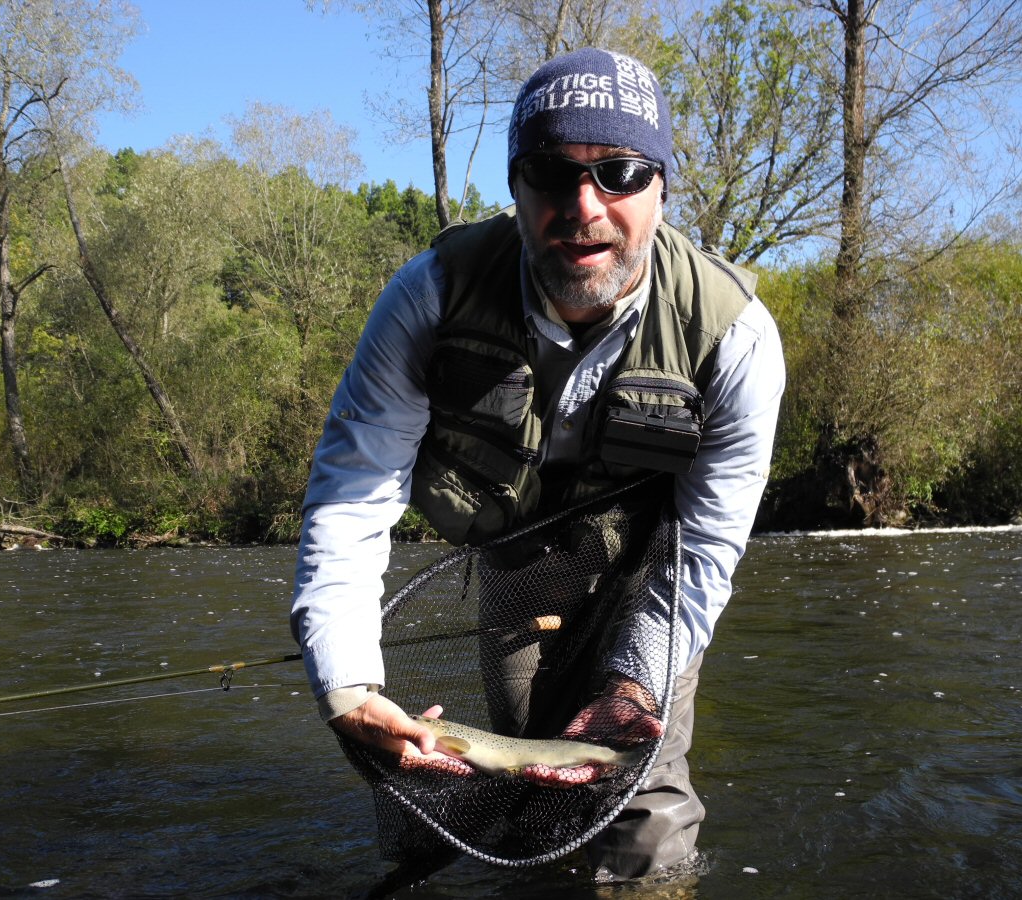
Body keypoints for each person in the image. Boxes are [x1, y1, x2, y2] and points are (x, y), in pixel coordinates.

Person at [290, 47, 785, 880]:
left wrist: (633, 686)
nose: (583, 205)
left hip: (653, 568)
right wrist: (347, 686)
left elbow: (704, 549)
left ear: (662, 184)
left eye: (620, 172)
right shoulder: (429, 299)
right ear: (516, 187)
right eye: (551, 174)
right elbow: (351, 497)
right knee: (528, 785)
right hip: (516, 564)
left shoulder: (735, 338)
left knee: (639, 808)